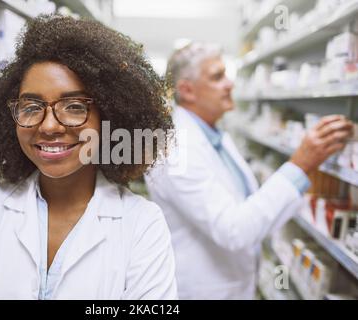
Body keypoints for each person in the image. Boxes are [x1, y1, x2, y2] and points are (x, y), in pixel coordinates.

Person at [0, 15, 177, 300]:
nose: (48, 126)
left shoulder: (142, 224)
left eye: (73, 106)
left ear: (109, 116)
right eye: (31, 106)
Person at [145, 42, 354, 299]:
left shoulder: (213, 133)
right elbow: (235, 230)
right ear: (187, 90)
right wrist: (301, 164)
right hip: (206, 291)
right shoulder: (176, 150)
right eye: (217, 77)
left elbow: (248, 205)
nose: (230, 84)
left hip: (236, 282)